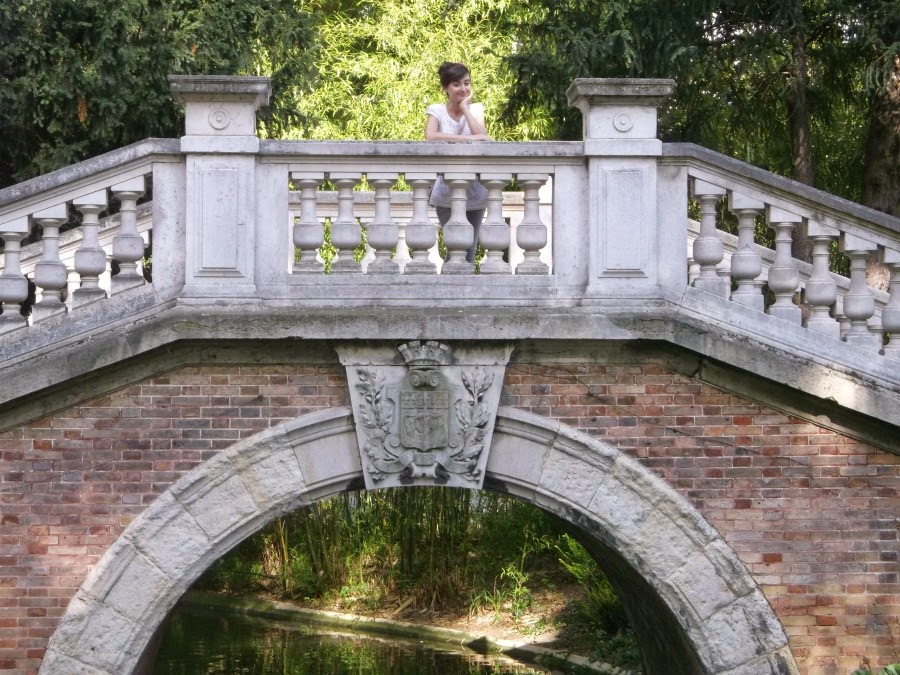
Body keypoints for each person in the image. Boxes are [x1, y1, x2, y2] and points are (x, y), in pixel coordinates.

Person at [425, 61, 491, 263]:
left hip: (475, 190)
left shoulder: (476, 109)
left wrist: (465, 109)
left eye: (466, 83)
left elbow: (484, 139)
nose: (463, 88)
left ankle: (464, 284)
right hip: (446, 191)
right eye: (456, 84)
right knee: (455, 247)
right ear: (445, 88)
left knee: (470, 249)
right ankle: (451, 284)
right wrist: (468, 139)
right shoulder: (437, 110)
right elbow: (430, 137)